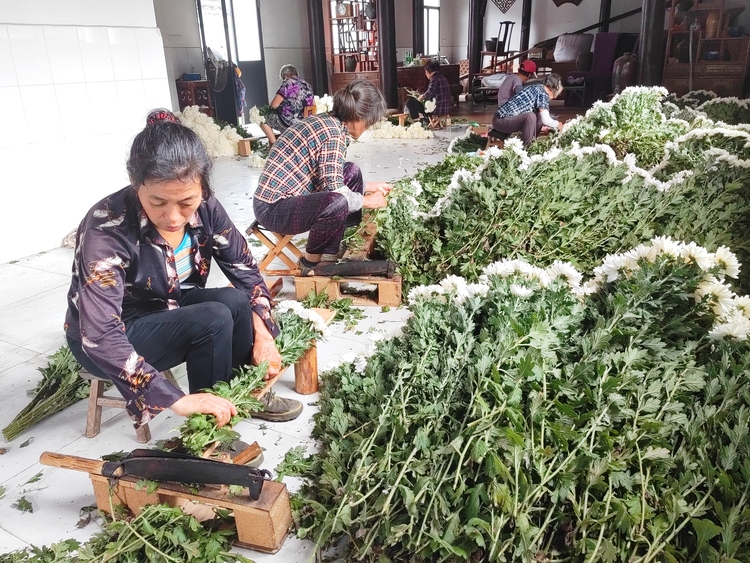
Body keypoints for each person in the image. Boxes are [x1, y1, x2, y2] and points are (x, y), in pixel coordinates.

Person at [65, 109, 303, 433]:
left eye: (186, 202)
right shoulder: (107, 228)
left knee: (235, 302)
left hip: (166, 304)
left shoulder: (206, 205)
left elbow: (245, 269)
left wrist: (264, 336)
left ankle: (242, 395)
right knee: (212, 320)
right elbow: (100, 333)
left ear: (202, 186)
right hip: (111, 333)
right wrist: (176, 400)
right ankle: (208, 427)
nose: (174, 217)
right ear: (136, 184)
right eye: (158, 202)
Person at [253, 80, 391, 272]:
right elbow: (335, 191)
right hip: (272, 209)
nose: (367, 128)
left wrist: (368, 186)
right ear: (358, 118)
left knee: (351, 171)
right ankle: (310, 264)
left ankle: (344, 238)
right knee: (337, 202)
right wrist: (367, 201)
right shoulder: (333, 134)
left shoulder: (330, 121)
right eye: (368, 124)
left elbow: (330, 174)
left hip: (291, 195)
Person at [492, 73, 565, 146]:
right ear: (553, 90)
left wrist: (544, 127)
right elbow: (546, 119)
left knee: (538, 115)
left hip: (502, 120)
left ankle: (532, 143)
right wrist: (557, 124)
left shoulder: (537, 88)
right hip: (500, 121)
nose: (555, 97)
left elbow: (542, 118)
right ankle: (527, 148)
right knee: (530, 116)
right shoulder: (543, 93)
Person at [260, 64, 315, 145]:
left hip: (288, 122)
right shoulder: (307, 84)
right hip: (304, 122)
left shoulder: (288, 83)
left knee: (261, 118)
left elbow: (274, 105)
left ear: (285, 76)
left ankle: (275, 145)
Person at [404, 59, 452, 127]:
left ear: (427, 71)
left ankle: (417, 122)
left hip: (436, 109)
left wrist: (422, 96)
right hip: (446, 108)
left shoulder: (434, 78)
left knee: (410, 102)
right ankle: (422, 119)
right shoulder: (442, 77)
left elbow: (430, 92)